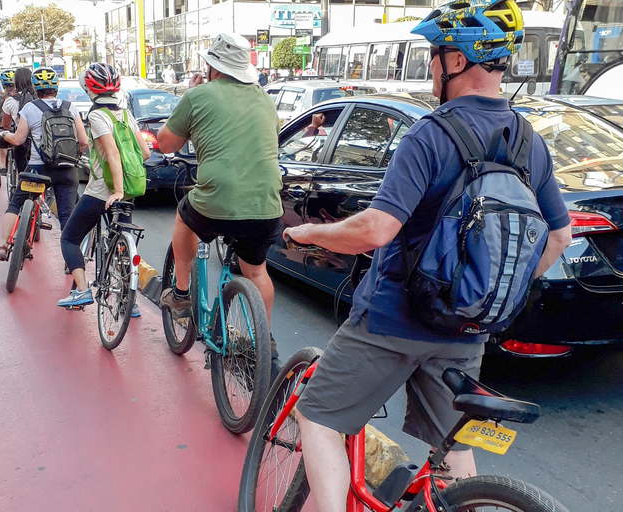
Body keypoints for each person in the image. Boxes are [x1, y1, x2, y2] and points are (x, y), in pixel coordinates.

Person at [281, 2, 573, 511]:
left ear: (457, 62)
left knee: (318, 419)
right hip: (468, 328)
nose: (431, 65)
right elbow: (559, 238)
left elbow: (376, 229)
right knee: (455, 448)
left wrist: (312, 232)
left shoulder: (431, 134)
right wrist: (489, 299)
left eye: (435, 55)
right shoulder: (530, 141)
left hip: (394, 321)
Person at [157, 33, 284, 374]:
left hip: (216, 199)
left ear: (212, 67)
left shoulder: (199, 95)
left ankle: (181, 293)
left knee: (185, 218)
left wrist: (191, 95)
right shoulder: (264, 100)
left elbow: (166, 143)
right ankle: (264, 341)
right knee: (256, 270)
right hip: (267, 202)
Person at [57, 63, 151, 309]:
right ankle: (129, 303)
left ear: (88, 89)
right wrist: (123, 189)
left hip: (102, 192)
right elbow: (145, 152)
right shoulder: (126, 114)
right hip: (129, 191)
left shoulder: (97, 115)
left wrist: (116, 190)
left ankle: (81, 290)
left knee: (68, 238)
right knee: (119, 243)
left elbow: (111, 154)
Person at [0, 66, 88, 261]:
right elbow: (84, 141)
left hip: (38, 169)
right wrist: (71, 157)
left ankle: (3, 246)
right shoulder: (71, 107)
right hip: (67, 170)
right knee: (67, 215)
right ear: (56, 88)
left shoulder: (30, 108)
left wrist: (4, 135)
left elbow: (18, 140)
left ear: (35, 88)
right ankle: (72, 261)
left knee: (16, 203)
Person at [0, 67, 36, 174]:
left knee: (19, 153)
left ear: (15, 81)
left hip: (23, 140)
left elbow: (6, 125)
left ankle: (22, 178)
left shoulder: (10, 100)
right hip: (42, 139)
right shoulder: (39, 97)